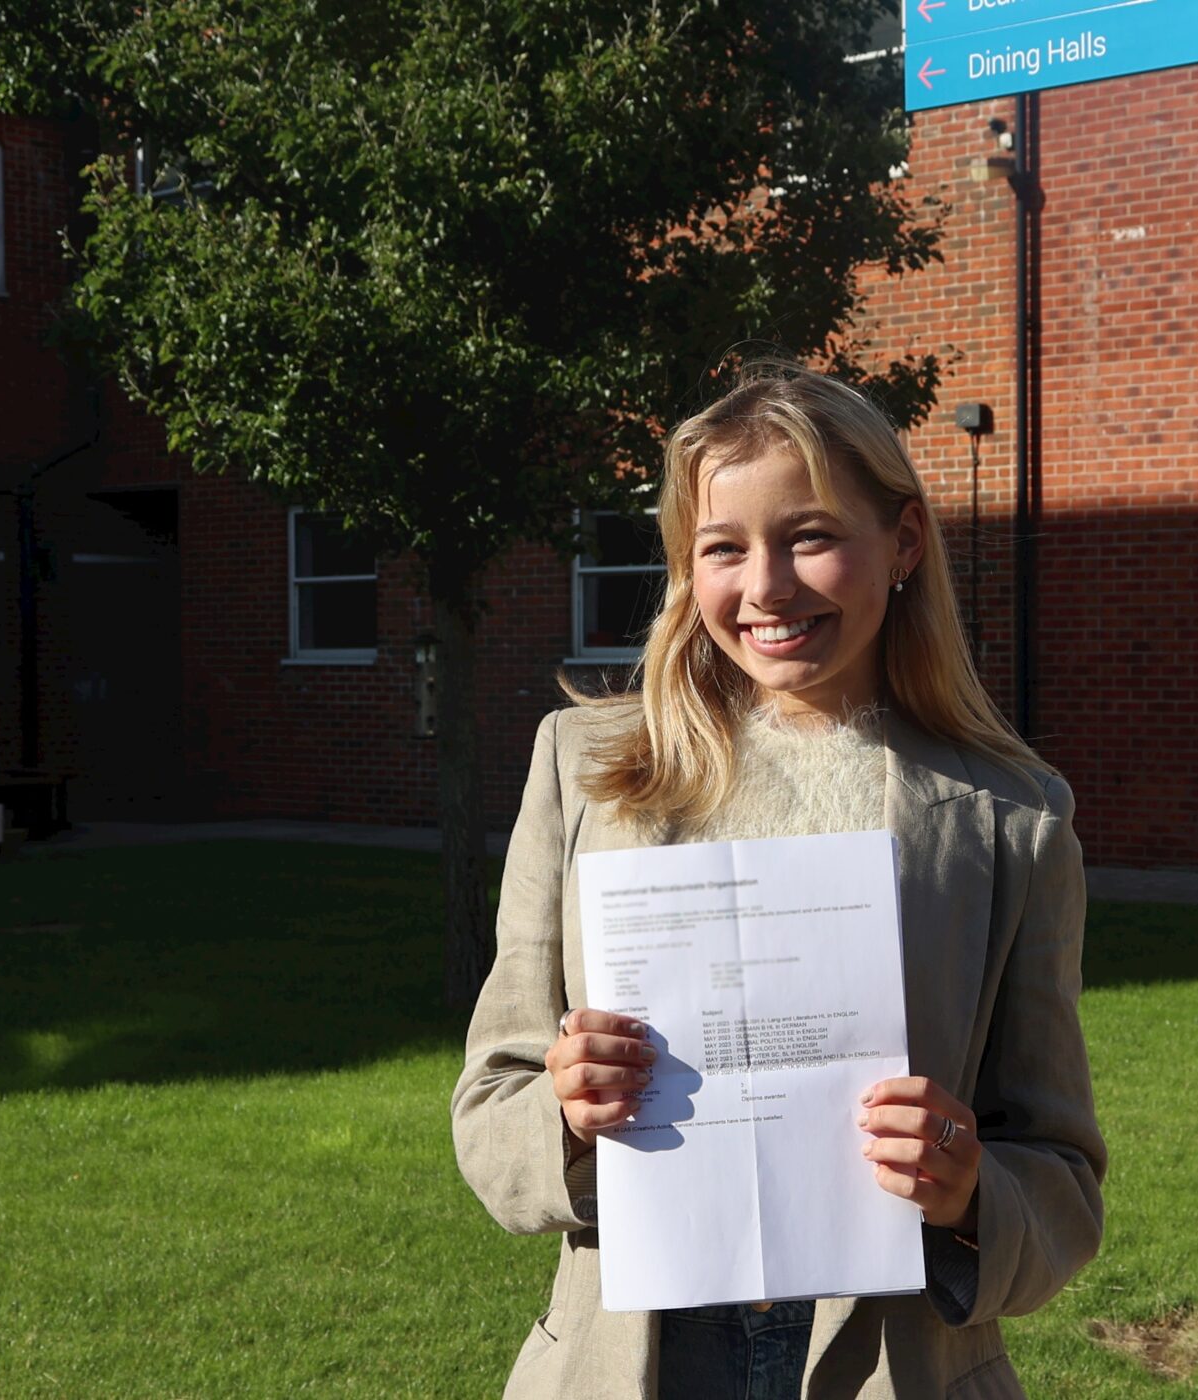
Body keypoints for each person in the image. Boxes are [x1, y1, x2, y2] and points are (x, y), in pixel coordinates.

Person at [452, 362, 1106, 1399]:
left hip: (893, 1363)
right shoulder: (583, 772)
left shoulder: (1013, 817)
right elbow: (492, 1106)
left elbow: (1063, 1180)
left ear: (903, 542)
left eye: (810, 536)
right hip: (633, 1357)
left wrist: (971, 1187)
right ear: (685, 563)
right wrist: (568, 1113)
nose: (766, 587)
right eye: (723, 547)